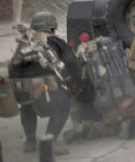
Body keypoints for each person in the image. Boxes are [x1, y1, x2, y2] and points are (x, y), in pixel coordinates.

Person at [9, 12, 81, 155]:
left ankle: (30, 142)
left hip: (22, 91)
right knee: (64, 104)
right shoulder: (56, 42)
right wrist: (76, 82)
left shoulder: (25, 42)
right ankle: (51, 142)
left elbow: (12, 67)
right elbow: (74, 65)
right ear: (52, 27)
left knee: (27, 104)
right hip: (46, 92)